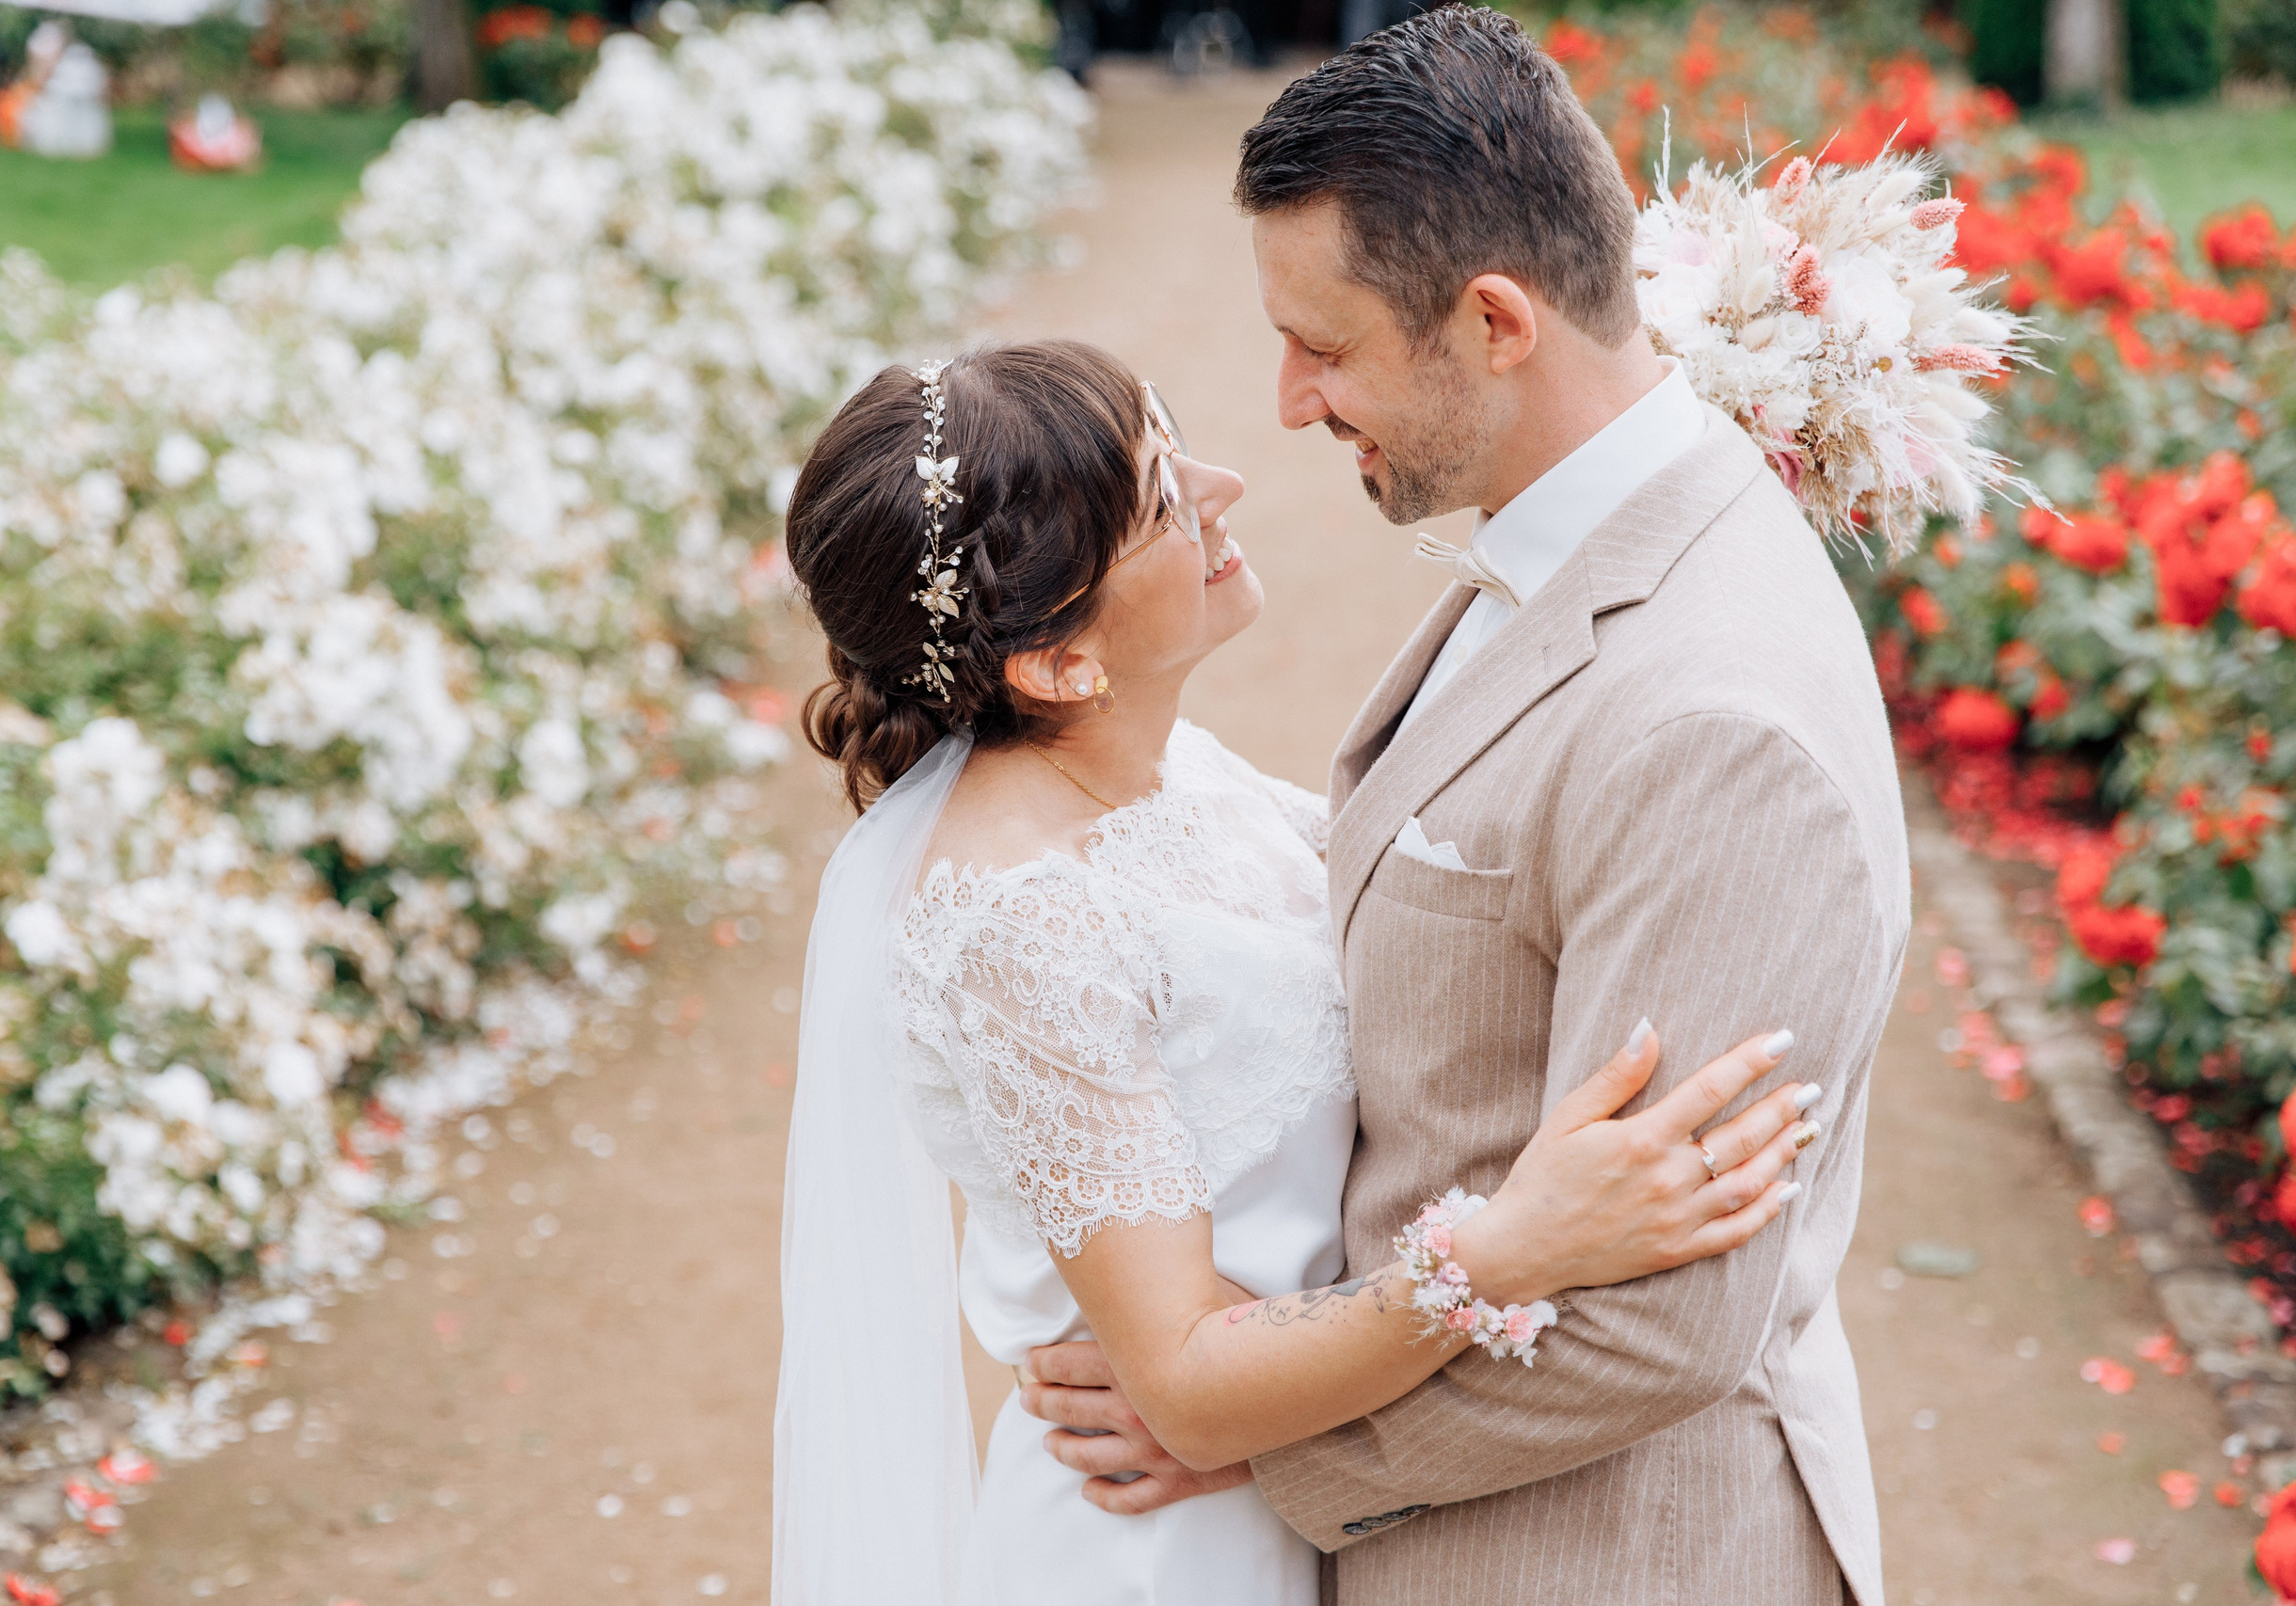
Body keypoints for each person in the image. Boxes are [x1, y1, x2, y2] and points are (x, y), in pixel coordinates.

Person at [1013, 10, 1908, 1606]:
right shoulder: (1580, 533)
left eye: (1326, 346)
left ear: (1495, 322)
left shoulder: (1713, 727)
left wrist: (1252, 1440)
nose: (1289, 402)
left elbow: (1658, 1328)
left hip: (1601, 1558)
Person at [771, 339, 1828, 1606]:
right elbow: (1183, 1383)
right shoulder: (1021, 920)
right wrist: (1510, 1249)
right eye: (1163, 501)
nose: (1222, 487)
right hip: (1152, 1552)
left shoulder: (1176, 773)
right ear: (1056, 665)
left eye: (1174, 445)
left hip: (1288, 1490)